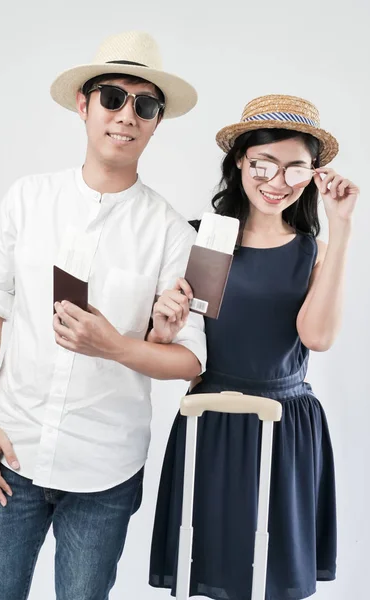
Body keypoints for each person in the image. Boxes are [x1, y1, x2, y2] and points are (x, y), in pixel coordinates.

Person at [0, 30, 206, 600]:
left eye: (145, 106)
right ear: (84, 103)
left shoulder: (172, 232)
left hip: (106, 470)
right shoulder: (27, 198)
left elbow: (190, 358)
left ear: (157, 122)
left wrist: (117, 345)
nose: (127, 116)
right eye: (113, 98)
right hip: (12, 452)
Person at [149, 94, 359, 599]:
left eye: (295, 169)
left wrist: (343, 224)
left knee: (274, 577)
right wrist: (162, 324)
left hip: (286, 424)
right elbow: (177, 353)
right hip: (212, 418)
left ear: (313, 176)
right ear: (241, 160)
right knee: (214, 571)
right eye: (263, 163)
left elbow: (319, 337)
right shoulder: (203, 239)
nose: (276, 181)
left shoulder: (313, 248)